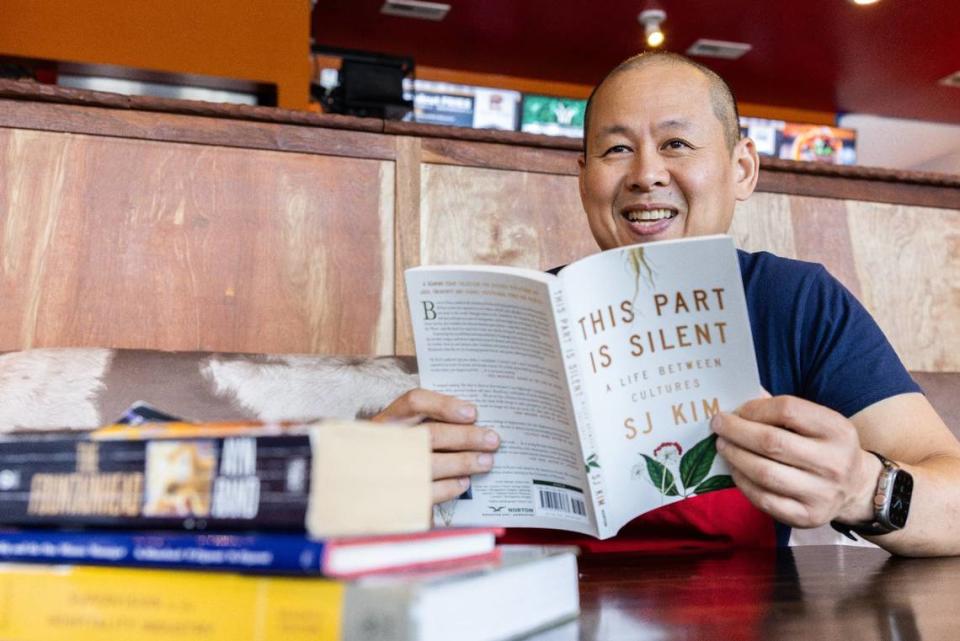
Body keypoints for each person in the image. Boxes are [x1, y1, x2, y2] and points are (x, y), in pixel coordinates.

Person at [374, 52, 960, 556]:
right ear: (583, 180)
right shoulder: (520, 315)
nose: (646, 174)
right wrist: (378, 478)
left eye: (677, 144)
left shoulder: (794, 301)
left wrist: (861, 488)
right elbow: (430, 515)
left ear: (742, 169)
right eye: (616, 151)